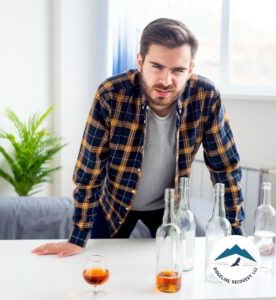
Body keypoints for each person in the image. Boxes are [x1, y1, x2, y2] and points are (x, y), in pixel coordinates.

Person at [32, 18, 244, 257]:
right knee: (99, 267)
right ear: (140, 61)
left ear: (191, 70)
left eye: (178, 71)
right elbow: (89, 171)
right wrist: (78, 236)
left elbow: (225, 168)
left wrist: (235, 234)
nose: (166, 80)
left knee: (173, 270)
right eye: (157, 67)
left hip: (169, 207)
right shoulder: (111, 95)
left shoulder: (206, 97)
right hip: (114, 204)